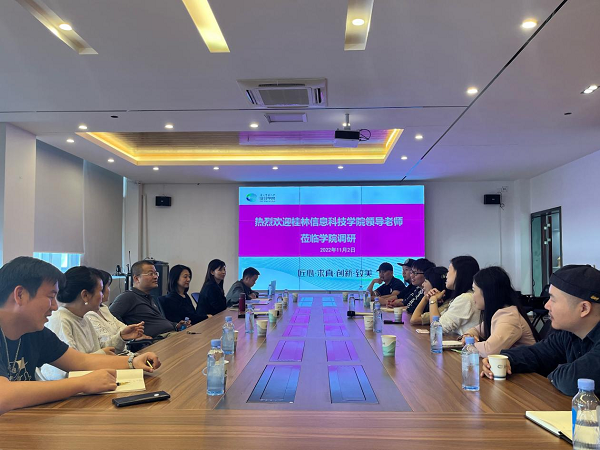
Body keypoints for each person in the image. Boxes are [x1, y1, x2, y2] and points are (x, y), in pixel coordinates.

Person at [0, 256, 161, 416]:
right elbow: (4, 396)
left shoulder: (35, 333)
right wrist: (82, 383)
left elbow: (81, 361)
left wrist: (132, 361)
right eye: (50, 297)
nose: (55, 306)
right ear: (20, 295)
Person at [482, 265, 600, 396]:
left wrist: (555, 372)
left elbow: (571, 382)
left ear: (584, 308)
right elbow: (536, 354)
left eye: (553, 299)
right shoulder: (570, 334)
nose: (546, 305)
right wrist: (507, 360)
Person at [40, 266, 146, 380]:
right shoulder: (60, 320)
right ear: (85, 295)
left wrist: (121, 337)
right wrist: (103, 354)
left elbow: (102, 348)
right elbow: (67, 368)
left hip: (91, 379)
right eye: (100, 291)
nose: (102, 296)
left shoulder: (84, 317)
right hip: (73, 386)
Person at [461, 267, 538, 357]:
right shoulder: (500, 313)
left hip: (525, 366)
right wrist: (468, 335)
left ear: (487, 292)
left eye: (474, 290)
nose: (473, 296)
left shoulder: (509, 317)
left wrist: (469, 345)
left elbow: (490, 351)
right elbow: (476, 330)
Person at [86, 270, 151, 354]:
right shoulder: (88, 316)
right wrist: (121, 337)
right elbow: (105, 347)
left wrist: (130, 334)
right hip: (115, 357)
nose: (109, 290)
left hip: (124, 353)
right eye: (107, 286)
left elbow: (121, 327)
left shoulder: (103, 308)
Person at [426, 256, 480, 335]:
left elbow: (437, 328)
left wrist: (433, 300)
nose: (446, 276)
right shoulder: (464, 297)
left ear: (459, 273)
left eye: (448, 271)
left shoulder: (465, 299)